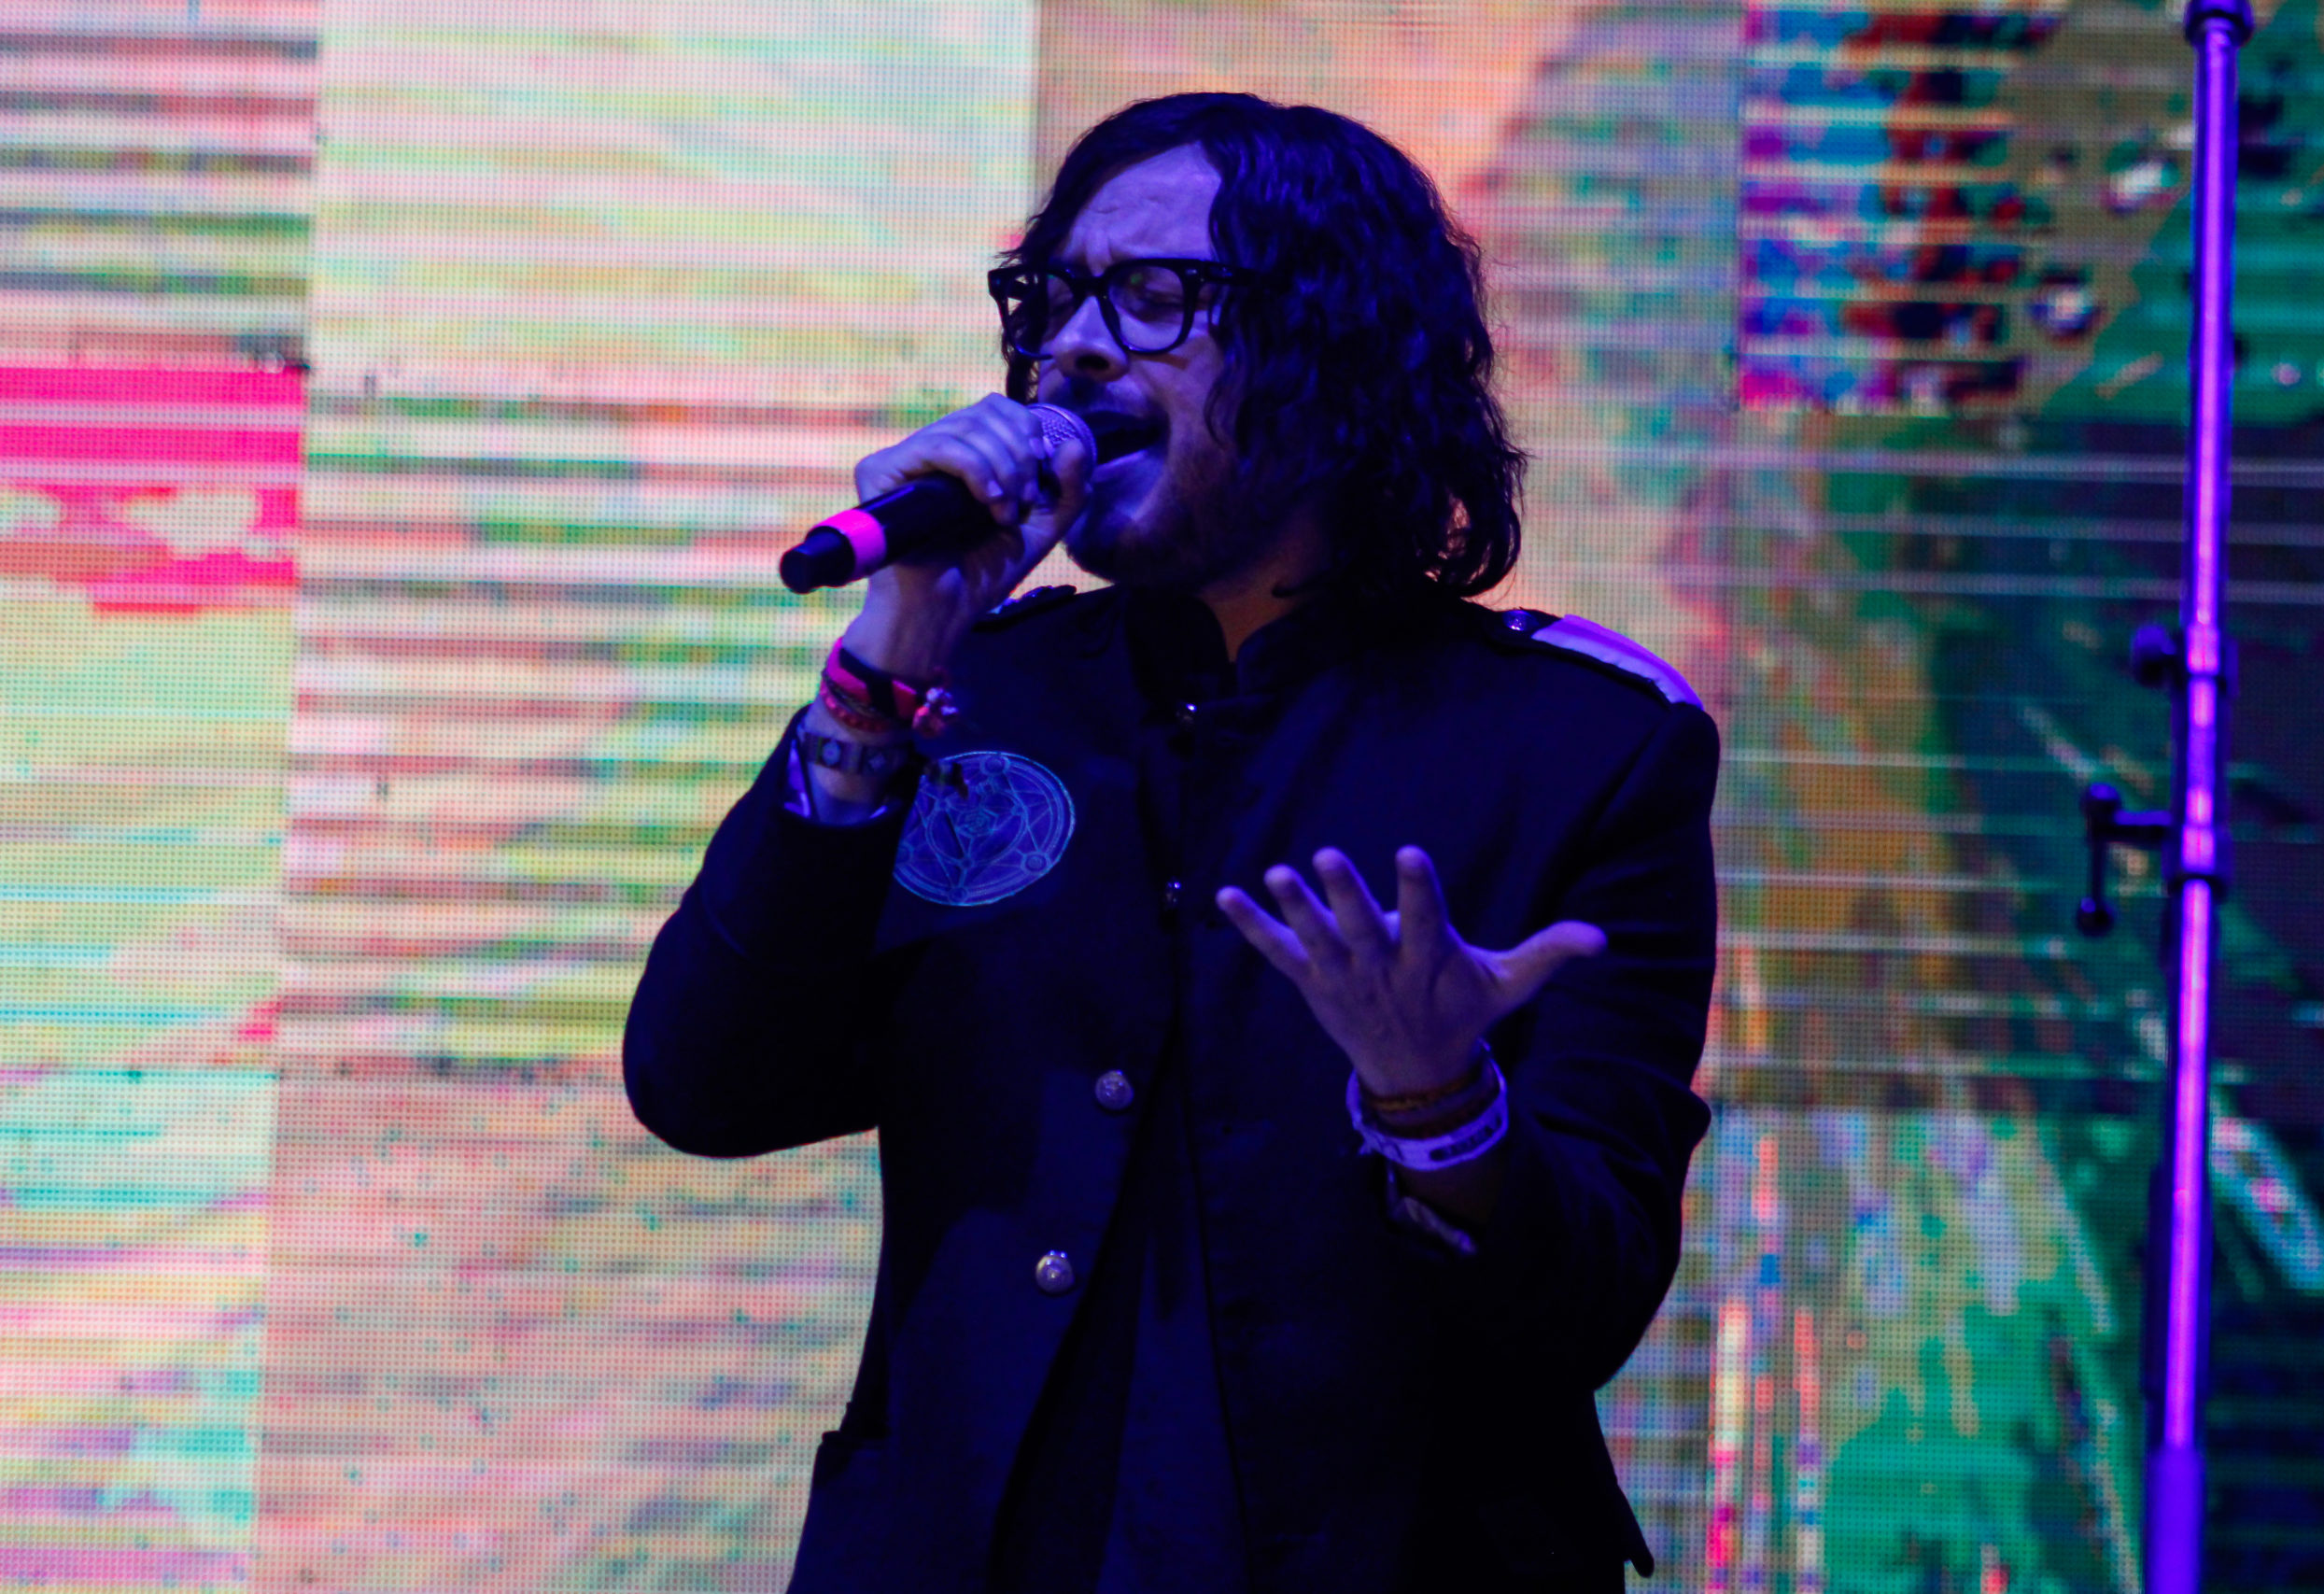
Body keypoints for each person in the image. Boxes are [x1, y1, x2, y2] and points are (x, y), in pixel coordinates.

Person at [623, 92, 1718, 1594]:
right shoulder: (968, 692)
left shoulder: (1580, 749)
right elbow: (705, 1089)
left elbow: (1586, 1302)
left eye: (1149, 296)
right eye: (1051, 297)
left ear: (1336, 351)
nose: (1073, 348)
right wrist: (882, 673)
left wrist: (1441, 1104)